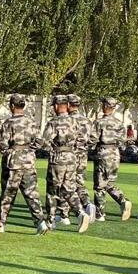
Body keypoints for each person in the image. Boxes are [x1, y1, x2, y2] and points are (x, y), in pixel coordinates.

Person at [0, 93, 49, 235]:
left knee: (8, 194)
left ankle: (1, 224)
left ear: (12, 106)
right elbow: (40, 141)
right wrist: (29, 150)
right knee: (32, 193)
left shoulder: (8, 123)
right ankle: (40, 222)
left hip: (13, 162)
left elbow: (2, 145)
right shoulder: (31, 122)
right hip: (28, 161)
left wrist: (10, 151)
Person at [41, 95, 90, 233]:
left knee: (52, 190)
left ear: (56, 106)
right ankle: (81, 213)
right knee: (68, 188)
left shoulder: (53, 122)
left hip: (57, 158)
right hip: (72, 157)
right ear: (67, 106)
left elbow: (45, 142)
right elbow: (82, 140)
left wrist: (51, 149)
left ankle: (50, 221)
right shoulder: (75, 121)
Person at [92, 97, 133, 221]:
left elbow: (93, 139)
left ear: (105, 106)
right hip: (115, 153)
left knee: (99, 185)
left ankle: (99, 213)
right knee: (109, 182)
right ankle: (123, 200)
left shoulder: (99, 122)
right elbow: (122, 141)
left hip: (103, 153)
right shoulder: (119, 124)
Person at [65, 94, 96, 222]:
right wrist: (84, 147)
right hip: (82, 155)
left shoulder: (66, 120)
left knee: (66, 182)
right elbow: (94, 138)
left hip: (69, 155)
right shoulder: (87, 120)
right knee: (79, 182)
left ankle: (65, 213)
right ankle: (87, 203)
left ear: (68, 104)